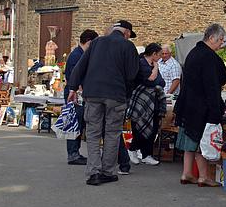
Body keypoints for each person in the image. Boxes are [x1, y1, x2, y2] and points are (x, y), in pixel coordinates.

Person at [67, 20, 140, 186]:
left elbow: (81, 66)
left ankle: (93, 172)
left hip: (93, 93)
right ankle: (107, 171)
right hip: (116, 95)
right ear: (127, 32)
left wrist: (72, 88)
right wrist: (127, 94)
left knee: (93, 133)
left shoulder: (97, 42)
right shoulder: (128, 47)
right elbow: (132, 75)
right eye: (130, 35)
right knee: (112, 133)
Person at [174, 23, 226, 187]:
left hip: (187, 103)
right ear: (211, 38)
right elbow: (211, 86)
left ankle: (186, 173)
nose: (221, 44)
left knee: (189, 142)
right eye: (220, 40)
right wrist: (215, 111)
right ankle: (203, 176)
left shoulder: (193, 53)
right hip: (201, 106)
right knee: (201, 142)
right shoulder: (208, 57)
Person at [127, 43, 167, 166]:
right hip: (141, 101)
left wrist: (155, 78)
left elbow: (161, 82)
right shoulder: (141, 63)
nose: (161, 57)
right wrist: (155, 68)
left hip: (153, 101)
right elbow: (151, 79)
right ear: (154, 54)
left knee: (153, 127)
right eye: (159, 54)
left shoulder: (152, 64)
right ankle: (132, 149)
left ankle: (147, 154)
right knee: (139, 127)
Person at [64, 29, 98, 165]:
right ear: (89, 42)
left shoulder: (79, 54)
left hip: (76, 94)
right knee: (75, 124)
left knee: (77, 124)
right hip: (75, 95)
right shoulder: (77, 55)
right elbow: (74, 76)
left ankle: (75, 152)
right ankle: (73, 154)